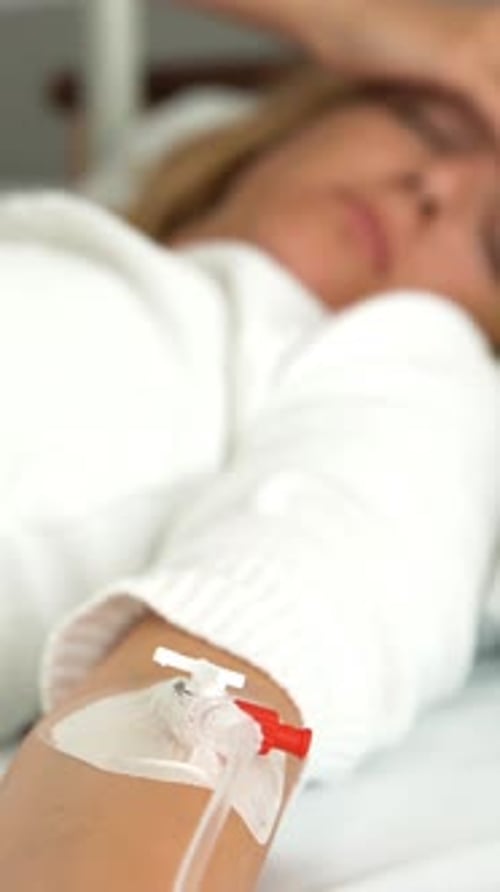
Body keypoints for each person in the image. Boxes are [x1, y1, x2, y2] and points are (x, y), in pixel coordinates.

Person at [1, 1, 500, 889]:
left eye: (498, 243)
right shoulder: (69, 243)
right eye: (424, 122)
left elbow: (221, 678)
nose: (436, 187)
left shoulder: (410, 363)